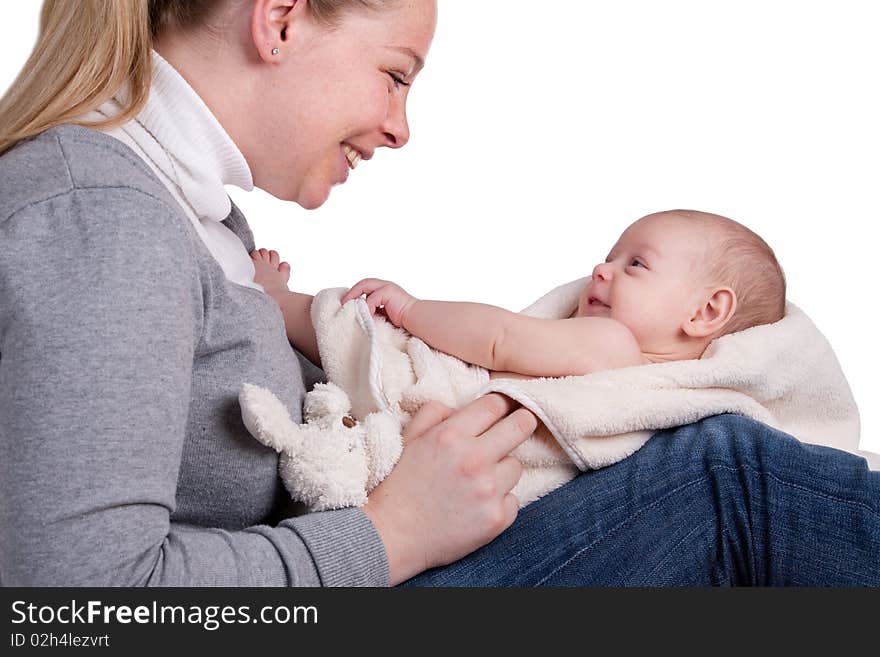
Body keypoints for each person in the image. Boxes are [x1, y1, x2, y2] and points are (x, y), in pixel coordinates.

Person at [0, 0, 877, 587]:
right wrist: (391, 535)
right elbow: (75, 608)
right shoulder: (101, 219)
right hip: (368, 577)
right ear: (281, 19)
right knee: (727, 477)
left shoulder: (192, 214)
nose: (400, 126)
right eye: (395, 74)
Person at [253, 209, 786, 381]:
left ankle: (278, 305)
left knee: (371, 335)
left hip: (447, 403)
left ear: (706, 312)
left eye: (636, 264)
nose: (601, 269)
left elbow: (499, 340)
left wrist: (411, 309)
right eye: (611, 255)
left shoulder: (615, 348)